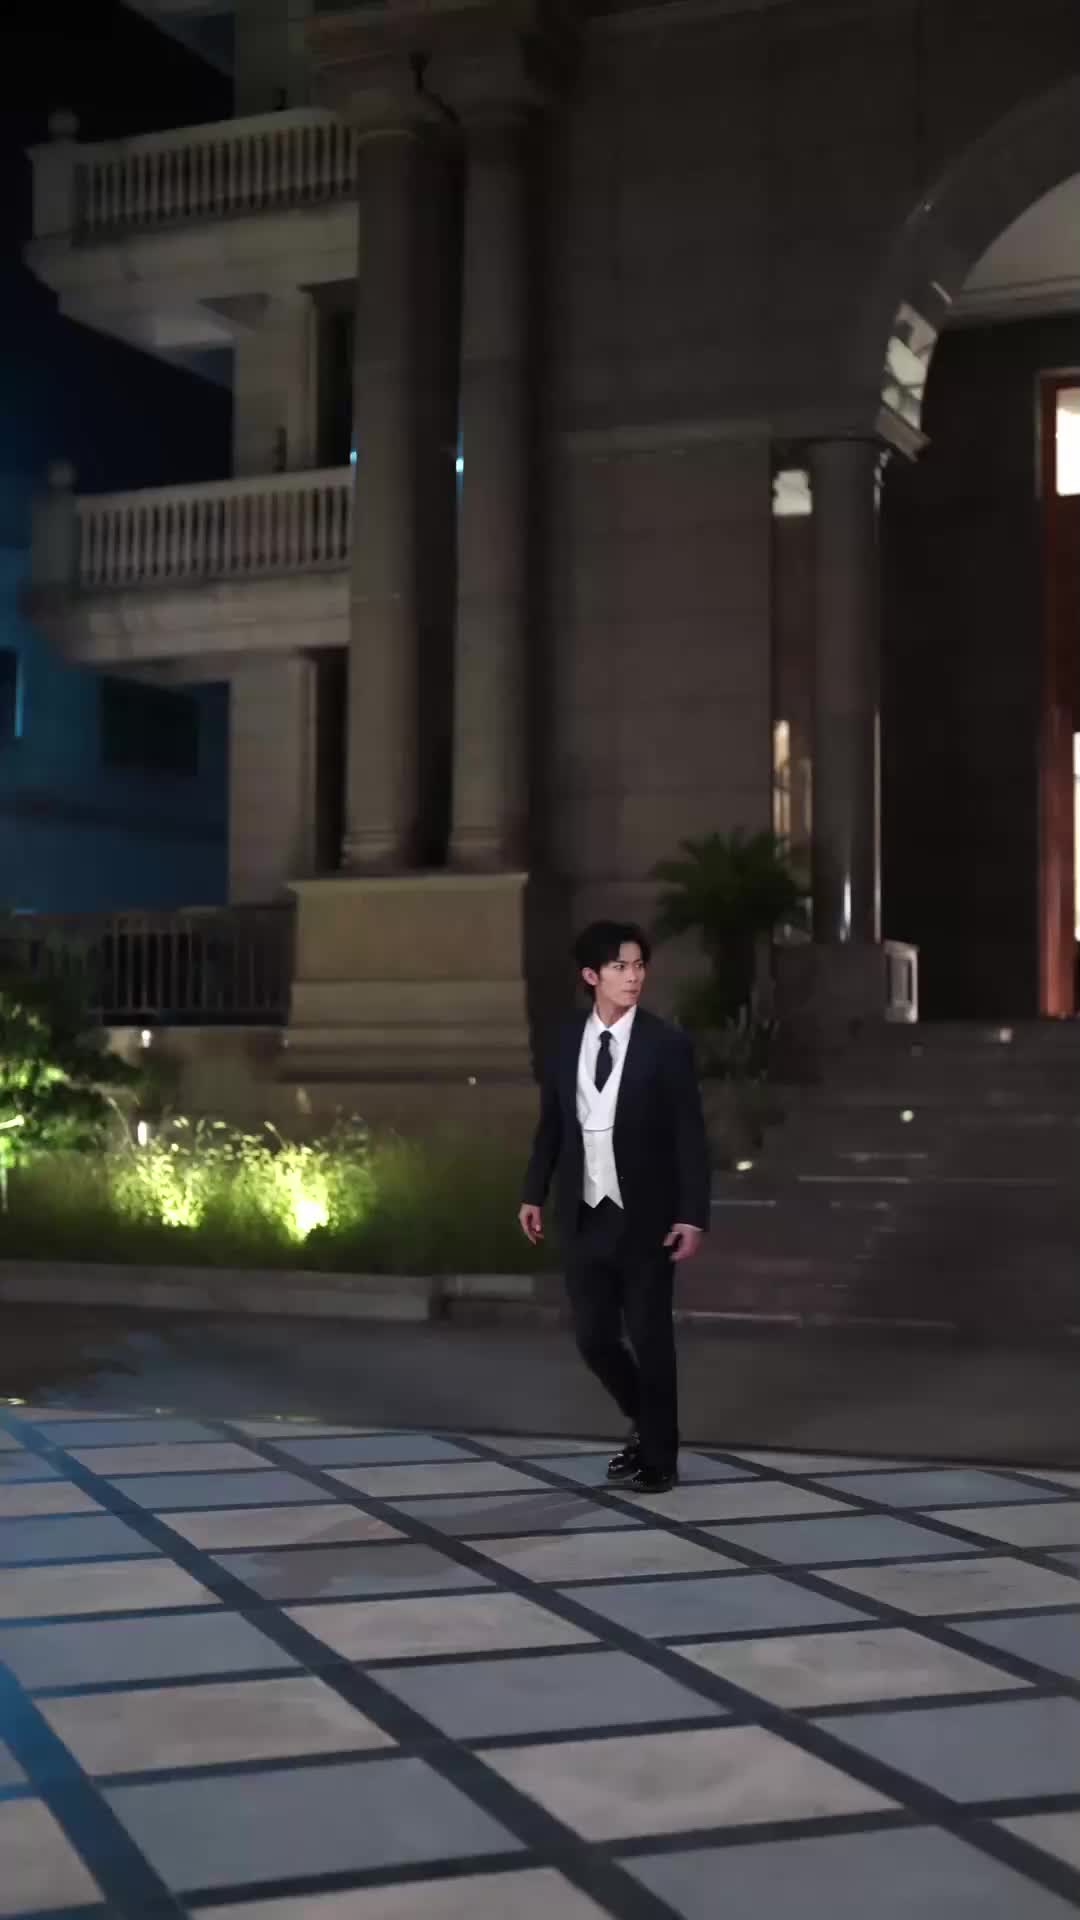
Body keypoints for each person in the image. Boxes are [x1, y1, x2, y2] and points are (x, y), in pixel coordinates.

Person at [518, 920, 711, 1493]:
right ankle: (646, 1424)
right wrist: (533, 1191)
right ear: (591, 975)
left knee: (650, 1337)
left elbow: (690, 1136)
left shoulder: (666, 1044)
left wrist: (692, 1213)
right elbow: (552, 1125)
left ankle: (660, 1456)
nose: (633, 977)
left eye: (639, 966)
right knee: (594, 1337)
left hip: (647, 1216)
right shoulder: (562, 1041)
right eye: (620, 967)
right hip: (583, 1212)